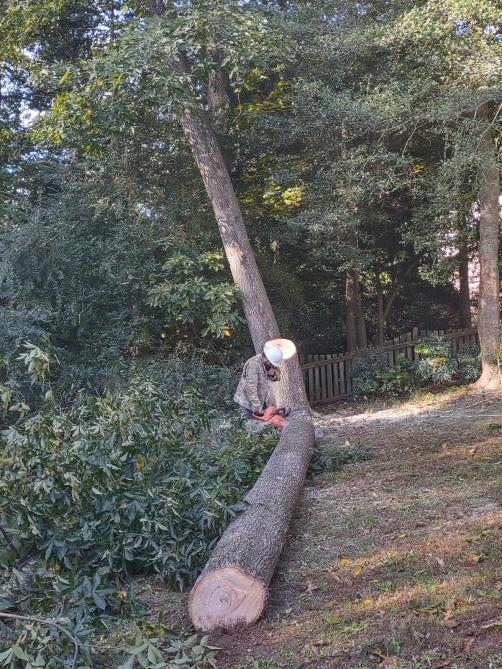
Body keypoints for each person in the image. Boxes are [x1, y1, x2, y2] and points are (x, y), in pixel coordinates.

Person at [234, 343, 283, 420]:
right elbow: (251, 388)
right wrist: (257, 408)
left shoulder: (270, 361)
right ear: (265, 358)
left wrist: (274, 374)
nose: (272, 365)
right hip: (247, 402)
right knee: (250, 424)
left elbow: (278, 376)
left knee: (264, 424)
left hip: (261, 399)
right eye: (271, 363)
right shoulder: (253, 365)